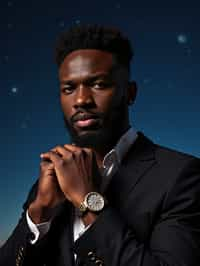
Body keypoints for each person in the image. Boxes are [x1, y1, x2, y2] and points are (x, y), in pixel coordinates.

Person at [0, 24, 200, 266]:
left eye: (99, 84)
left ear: (130, 93)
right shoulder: (49, 181)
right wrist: (39, 212)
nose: (81, 100)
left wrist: (88, 201)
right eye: (69, 88)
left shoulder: (182, 176)